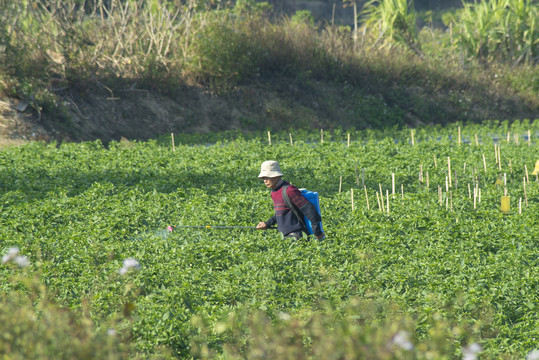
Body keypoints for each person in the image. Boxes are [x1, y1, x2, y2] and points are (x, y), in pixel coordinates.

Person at [256, 160, 325, 240]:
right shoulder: (274, 192)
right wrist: (267, 223)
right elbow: (281, 213)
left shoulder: (290, 190)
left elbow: (309, 209)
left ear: (276, 176)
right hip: (285, 237)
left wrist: (317, 232)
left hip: (297, 236)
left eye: (268, 177)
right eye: (263, 178)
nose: (265, 181)